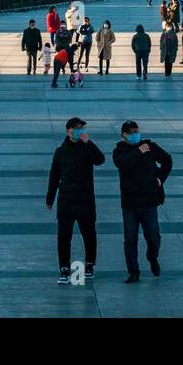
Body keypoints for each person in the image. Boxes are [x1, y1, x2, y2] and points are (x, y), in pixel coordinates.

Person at [112, 120, 172, 284]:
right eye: (130, 132)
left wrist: (160, 178)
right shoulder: (119, 151)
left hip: (149, 201)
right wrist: (138, 151)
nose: (134, 134)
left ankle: (152, 256)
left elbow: (167, 160)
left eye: (136, 131)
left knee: (153, 236)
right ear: (123, 135)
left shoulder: (150, 146)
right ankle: (133, 271)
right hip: (130, 203)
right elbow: (124, 164)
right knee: (130, 239)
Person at [46, 117, 105, 284]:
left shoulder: (87, 149)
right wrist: (50, 198)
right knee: (64, 236)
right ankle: (64, 269)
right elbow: (54, 176)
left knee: (89, 234)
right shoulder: (60, 151)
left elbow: (100, 160)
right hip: (66, 200)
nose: (79, 131)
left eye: (81, 128)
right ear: (68, 131)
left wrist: (89, 143)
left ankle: (90, 264)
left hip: (85, 199)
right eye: (76, 128)